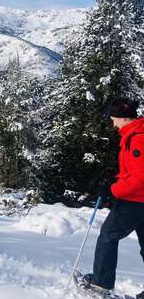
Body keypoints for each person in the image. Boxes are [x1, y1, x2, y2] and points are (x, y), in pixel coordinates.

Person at [80, 98, 144, 298]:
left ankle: (101, 285)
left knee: (108, 236)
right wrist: (113, 179)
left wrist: (113, 191)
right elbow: (132, 170)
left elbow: (140, 176)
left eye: (113, 118)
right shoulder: (134, 134)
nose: (112, 123)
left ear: (124, 118)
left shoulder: (137, 138)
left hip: (135, 201)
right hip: (139, 199)